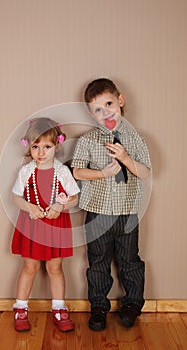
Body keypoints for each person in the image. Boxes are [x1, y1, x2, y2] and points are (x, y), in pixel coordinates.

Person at [71, 78, 151, 330]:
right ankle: (98, 306)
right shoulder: (88, 140)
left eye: (109, 104)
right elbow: (77, 172)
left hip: (127, 213)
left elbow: (145, 173)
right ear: (91, 114)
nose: (105, 112)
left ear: (120, 100)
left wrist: (126, 158)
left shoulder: (135, 139)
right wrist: (102, 174)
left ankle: (132, 304)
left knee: (130, 260)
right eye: (97, 109)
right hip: (98, 213)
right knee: (98, 262)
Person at [11, 117, 80, 332]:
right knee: (29, 267)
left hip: (55, 224)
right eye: (36, 146)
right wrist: (29, 207)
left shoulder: (63, 172)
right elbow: (15, 197)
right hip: (32, 225)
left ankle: (59, 309)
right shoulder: (26, 171)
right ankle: (21, 308)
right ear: (28, 147)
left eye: (47, 146)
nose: (41, 152)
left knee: (55, 267)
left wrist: (60, 207)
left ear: (57, 145)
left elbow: (74, 197)